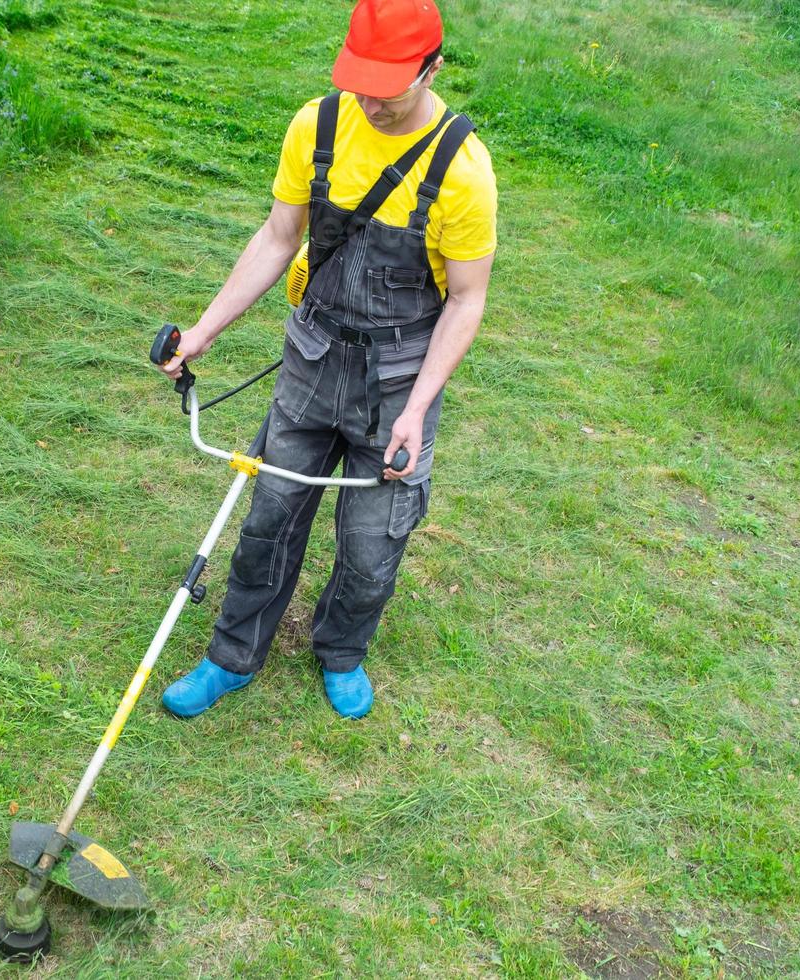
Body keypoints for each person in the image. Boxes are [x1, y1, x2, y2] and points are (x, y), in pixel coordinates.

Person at [157, 0, 497, 719]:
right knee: (270, 518)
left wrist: (415, 408)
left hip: (400, 380)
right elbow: (281, 237)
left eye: (389, 85)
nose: (371, 100)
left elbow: (466, 301)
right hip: (312, 360)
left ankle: (341, 650)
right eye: (360, 81)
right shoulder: (318, 124)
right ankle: (231, 654)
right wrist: (203, 331)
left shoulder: (463, 169)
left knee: (375, 541)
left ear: (432, 68)